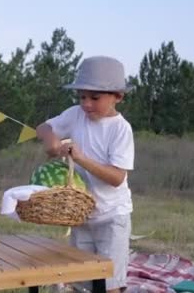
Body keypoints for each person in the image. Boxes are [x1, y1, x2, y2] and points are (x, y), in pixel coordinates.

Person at [37, 56, 134, 293]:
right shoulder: (74, 114)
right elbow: (44, 128)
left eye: (95, 98)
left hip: (112, 216)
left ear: (118, 97)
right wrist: (52, 144)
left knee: (109, 283)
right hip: (80, 215)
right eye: (82, 97)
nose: (86, 104)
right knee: (81, 280)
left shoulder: (121, 129)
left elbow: (116, 177)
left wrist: (81, 158)